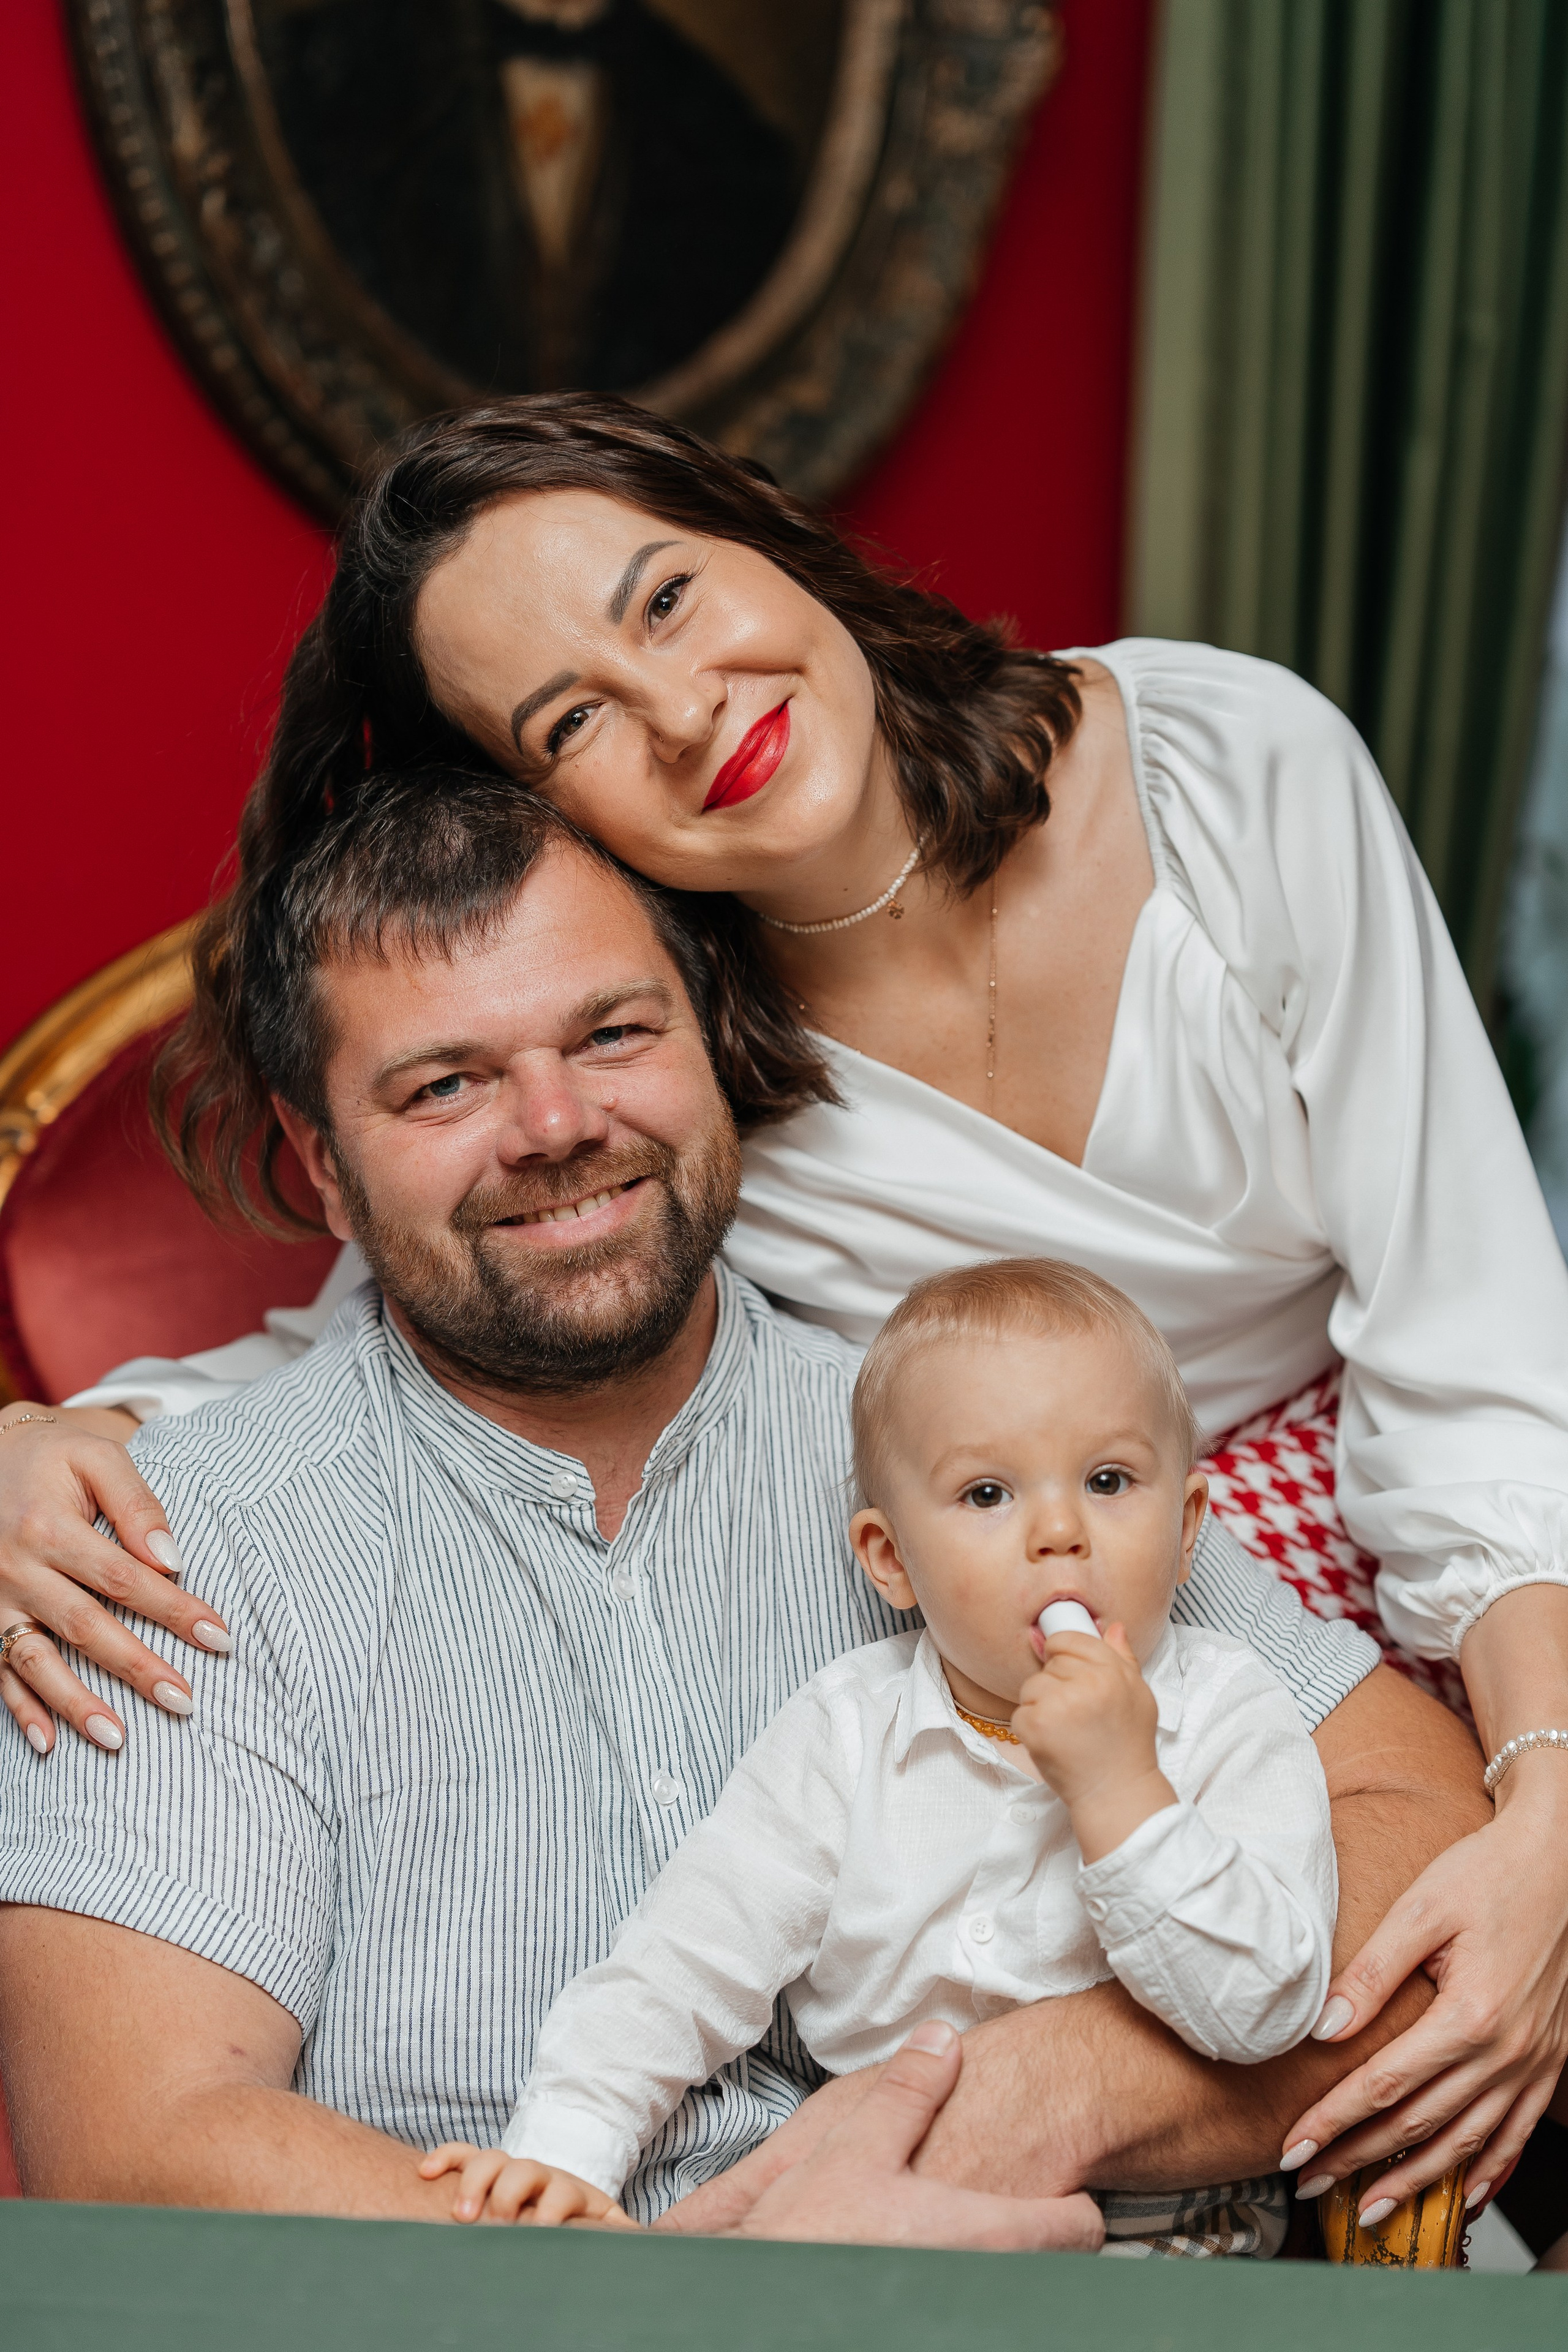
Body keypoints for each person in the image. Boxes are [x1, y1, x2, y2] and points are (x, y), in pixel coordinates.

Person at [0, 391, 1561, 2234]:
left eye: (661, 598)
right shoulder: (676, 1086)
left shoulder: (1227, 779)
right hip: (1045, 1582)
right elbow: (433, 1305)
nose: (677, 709)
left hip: (1466, 1583)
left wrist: (1535, 1806)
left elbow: (1474, 1377)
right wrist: (48, 1432)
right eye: (571, 717)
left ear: (762, 531)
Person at [430, 1259, 1336, 2260]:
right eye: (988, 1493)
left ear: (1188, 1526)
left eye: (1110, 1481)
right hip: (876, 2202)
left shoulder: (1229, 1713)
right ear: (890, 1560)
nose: (1061, 1533)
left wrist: (1124, 1791)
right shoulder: (844, 1731)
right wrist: (566, 2155)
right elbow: (680, 1963)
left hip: (1177, 2218)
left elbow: (1266, 2011)